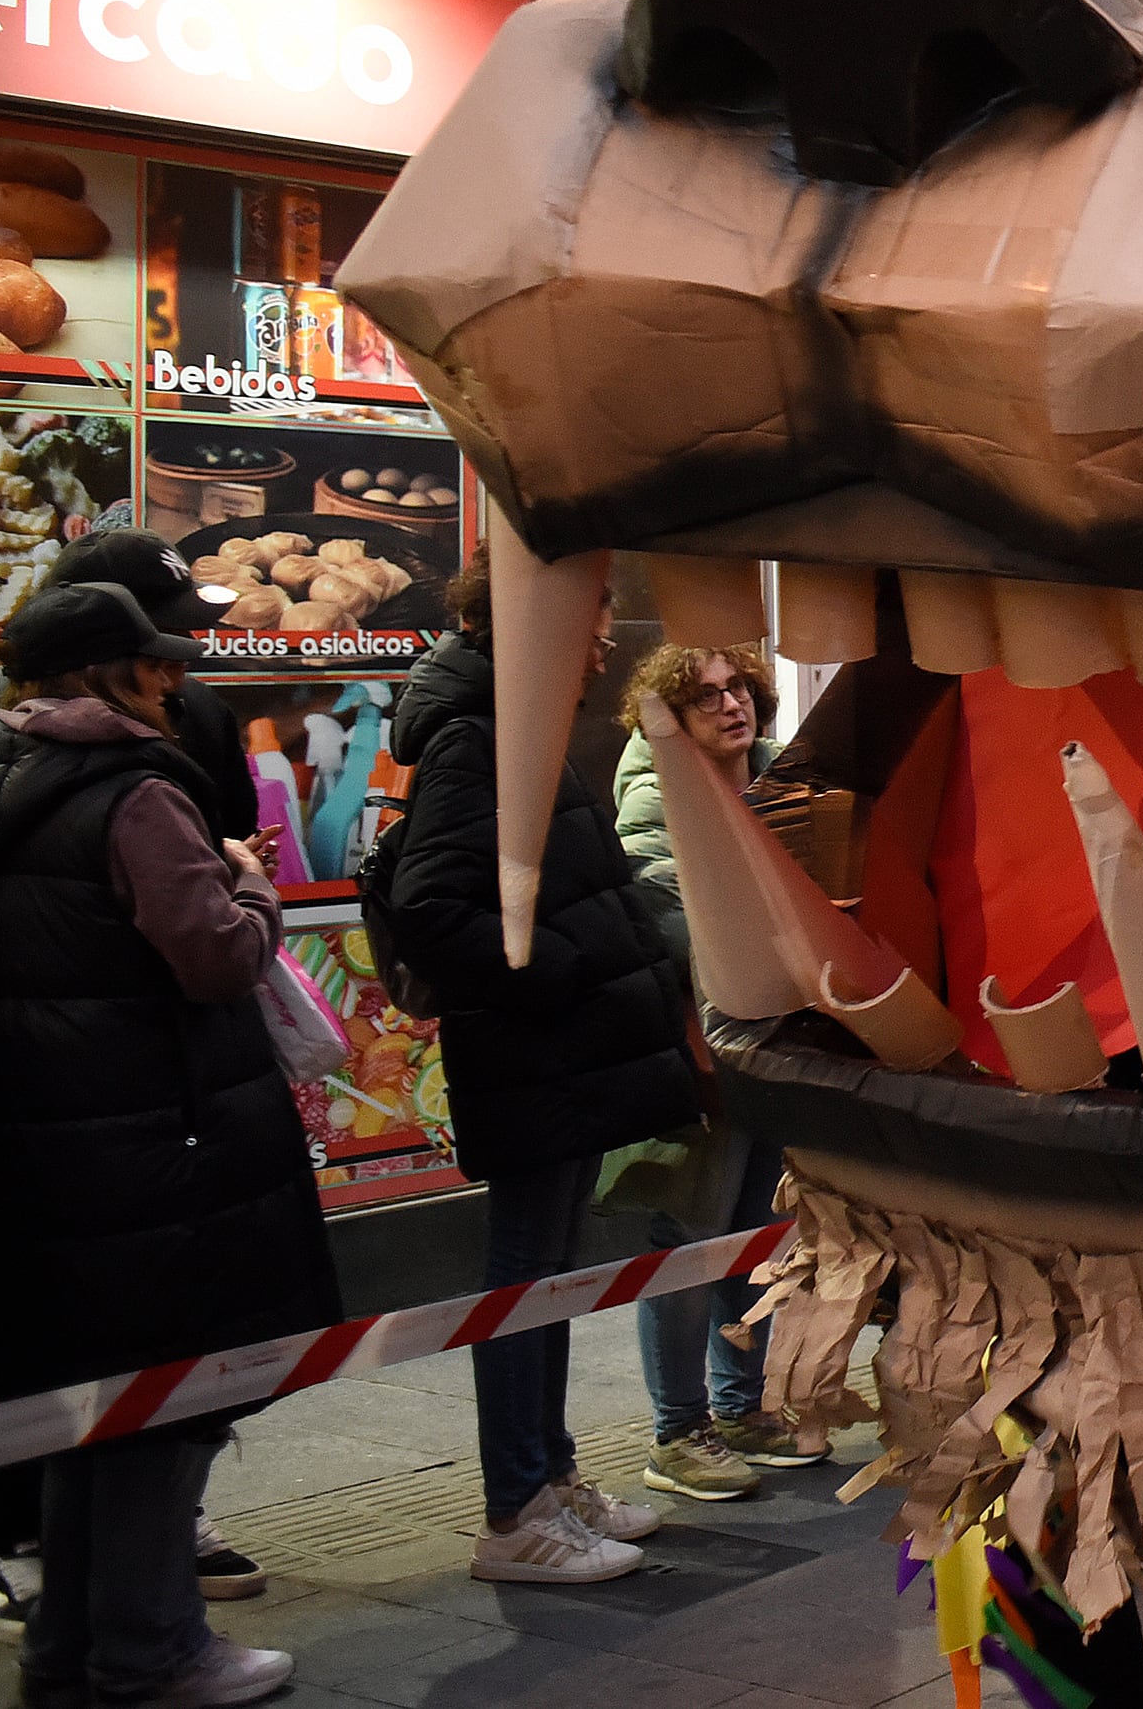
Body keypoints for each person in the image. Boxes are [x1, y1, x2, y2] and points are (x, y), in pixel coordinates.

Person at [0, 582, 341, 1707]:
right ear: (111, 675)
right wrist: (253, 889)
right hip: (159, 1146)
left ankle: (69, 1646)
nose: (174, 682)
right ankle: (153, 1648)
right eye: (154, 665)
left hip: (26, 1152)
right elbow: (211, 957)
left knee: (82, 1408)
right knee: (163, 1403)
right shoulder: (137, 791)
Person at [390, 548, 700, 1583]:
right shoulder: (477, 737)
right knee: (522, 1275)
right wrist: (564, 970)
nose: (607, 634)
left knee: (549, 1272)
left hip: (556, 1059)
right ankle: (515, 1509)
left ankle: (548, 1475)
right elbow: (436, 905)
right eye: (593, 612)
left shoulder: (516, 725)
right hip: (533, 1055)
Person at [608, 640, 817, 1506]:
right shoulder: (653, 801)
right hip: (696, 1050)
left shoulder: (779, 782)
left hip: (769, 1035)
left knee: (754, 1233)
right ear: (669, 719)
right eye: (705, 698)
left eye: (739, 689)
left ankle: (742, 1406)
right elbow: (687, 927)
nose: (732, 707)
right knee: (688, 1239)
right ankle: (677, 1429)